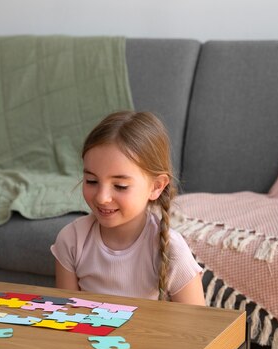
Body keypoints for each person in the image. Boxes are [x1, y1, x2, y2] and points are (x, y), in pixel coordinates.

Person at [51, 111, 204, 305]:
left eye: (120, 186)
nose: (102, 197)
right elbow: (65, 316)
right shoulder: (71, 240)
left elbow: (199, 330)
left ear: (157, 186)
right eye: (91, 181)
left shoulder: (172, 250)